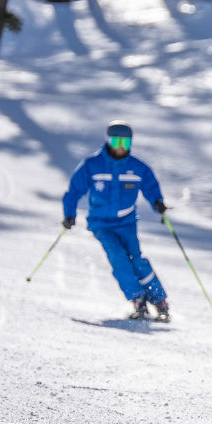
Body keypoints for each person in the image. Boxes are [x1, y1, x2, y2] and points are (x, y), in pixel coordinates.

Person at [62, 121, 170, 322]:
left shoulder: (137, 168)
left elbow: (150, 187)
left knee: (137, 259)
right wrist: (69, 214)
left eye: (126, 143)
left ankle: (160, 300)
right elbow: (73, 192)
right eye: (117, 141)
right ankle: (138, 298)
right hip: (101, 223)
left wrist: (157, 202)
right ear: (108, 141)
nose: (121, 147)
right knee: (118, 257)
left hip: (126, 222)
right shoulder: (92, 165)